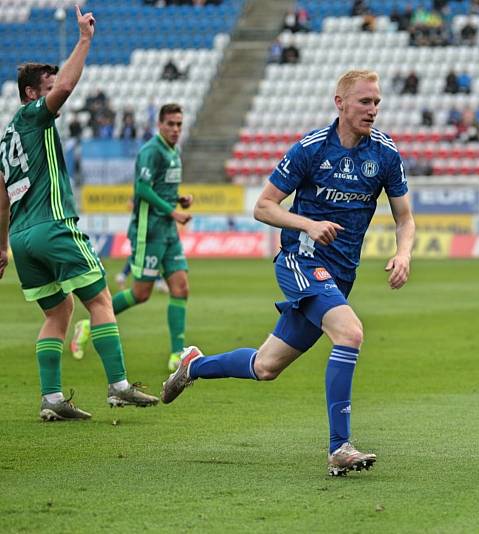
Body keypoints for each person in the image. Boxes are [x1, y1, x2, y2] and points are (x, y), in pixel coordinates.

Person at [160, 70, 415, 476]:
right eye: (365, 102)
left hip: (340, 275)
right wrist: (306, 224)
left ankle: (193, 365)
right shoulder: (311, 149)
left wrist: (403, 254)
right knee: (350, 332)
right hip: (300, 260)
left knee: (266, 367)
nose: (373, 109)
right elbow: (263, 207)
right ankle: (339, 446)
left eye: (377, 102)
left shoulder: (384, 154)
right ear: (341, 103)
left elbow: (404, 218)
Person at [0, 7, 158, 421]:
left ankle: (51, 398)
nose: (55, 92)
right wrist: (85, 39)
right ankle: (119, 385)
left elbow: (1, 196)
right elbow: (68, 85)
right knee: (100, 298)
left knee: (59, 311)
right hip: (53, 226)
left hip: (20, 236)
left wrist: (2, 247)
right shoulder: (34, 118)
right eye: (47, 88)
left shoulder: (6, 139)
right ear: (32, 94)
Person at [72, 104, 193, 371]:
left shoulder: (175, 151)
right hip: (148, 232)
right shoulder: (151, 151)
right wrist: (172, 211)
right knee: (141, 293)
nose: (175, 129)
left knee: (181, 288)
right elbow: (142, 189)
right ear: (159, 124)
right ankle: (89, 324)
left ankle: (177, 354)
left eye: (179, 124)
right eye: (171, 124)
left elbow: (162, 188)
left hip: (168, 232)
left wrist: (179, 199)